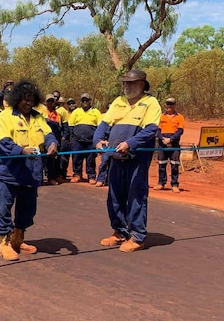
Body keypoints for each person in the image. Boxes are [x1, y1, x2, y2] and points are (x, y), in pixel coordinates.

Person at [93, 69, 161, 252]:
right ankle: (120, 231)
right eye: (125, 83)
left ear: (141, 85)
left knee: (135, 196)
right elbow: (104, 125)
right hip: (115, 157)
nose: (127, 86)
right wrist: (98, 140)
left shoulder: (150, 103)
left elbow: (150, 130)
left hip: (136, 158)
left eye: (131, 83)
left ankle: (138, 237)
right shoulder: (118, 101)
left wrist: (130, 143)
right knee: (115, 196)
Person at [0, 81, 58, 261]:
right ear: (16, 99)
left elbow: (48, 134)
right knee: (3, 206)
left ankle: (18, 239)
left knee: (28, 208)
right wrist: (22, 150)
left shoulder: (38, 117)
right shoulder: (5, 116)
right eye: (24, 99)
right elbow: (4, 142)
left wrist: (52, 144)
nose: (28, 102)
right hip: (7, 170)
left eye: (31, 99)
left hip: (31, 171)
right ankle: (4, 242)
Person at [68, 93, 102, 183]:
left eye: (86, 100)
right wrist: (72, 139)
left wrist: (97, 140)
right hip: (77, 140)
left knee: (91, 159)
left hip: (91, 141)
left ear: (90, 101)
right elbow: (71, 125)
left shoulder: (96, 112)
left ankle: (91, 176)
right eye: (83, 100)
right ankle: (77, 175)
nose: (85, 102)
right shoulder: (76, 112)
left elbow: (100, 127)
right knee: (76, 158)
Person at [156, 97, 185, 192]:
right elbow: (157, 130)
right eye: (167, 104)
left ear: (174, 105)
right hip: (162, 143)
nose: (169, 106)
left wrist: (171, 139)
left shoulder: (179, 117)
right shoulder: (161, 116)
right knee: (161, 164)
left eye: (171, 104)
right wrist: (162, 138)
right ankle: (161, 183)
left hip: (174, 144)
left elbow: (180, 131)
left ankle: (174, 184)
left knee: (175, 165)